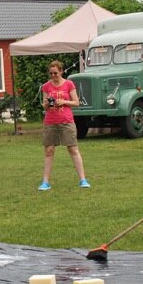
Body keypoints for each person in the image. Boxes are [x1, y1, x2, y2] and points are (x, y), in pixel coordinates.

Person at [38, 60, 89, 191]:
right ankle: (45, 182)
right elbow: (44, 106)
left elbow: (76, 102)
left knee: (73, 149)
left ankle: (83, 179)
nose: (53, 75)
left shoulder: (69, 84)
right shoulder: (46, 87)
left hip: (66, 121)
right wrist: (48, 103)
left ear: (61, 71)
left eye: (55, 73)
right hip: (50, 121)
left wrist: (64, 102)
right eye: (51, 73)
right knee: (49, 151)